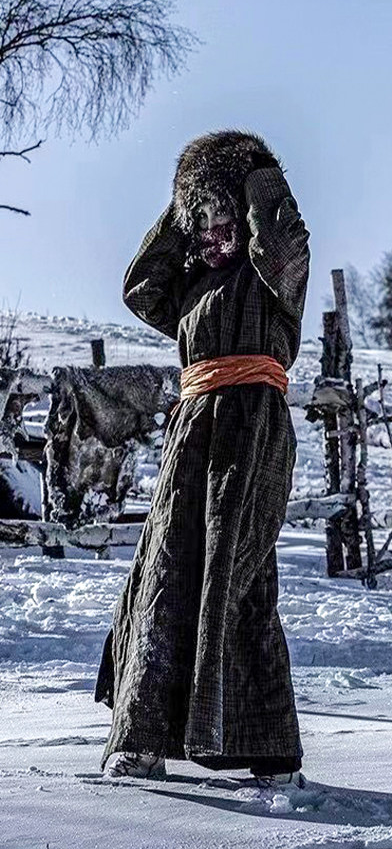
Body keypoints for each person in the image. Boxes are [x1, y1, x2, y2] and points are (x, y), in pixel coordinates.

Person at [94, 130, 310, 788]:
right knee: (163, 574)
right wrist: (185, 197)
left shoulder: (274, 276)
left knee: (235, 572)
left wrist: (251, 175)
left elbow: (275, 236)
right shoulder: (190, 289)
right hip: (192, 432)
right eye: (202, 228)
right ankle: (142, 739)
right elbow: (139, 286)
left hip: (253, 426)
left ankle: (267, 748)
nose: (214, 239)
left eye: (223, 224)